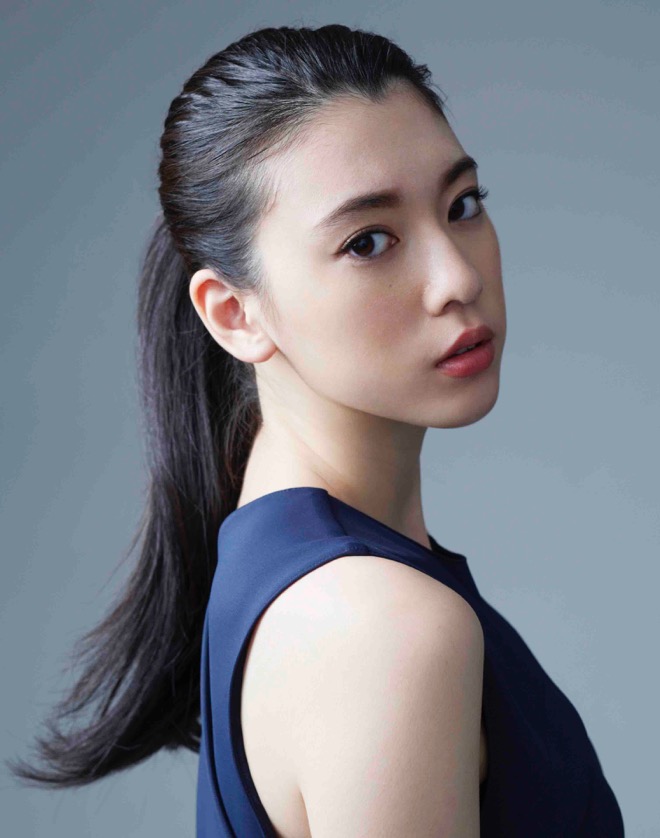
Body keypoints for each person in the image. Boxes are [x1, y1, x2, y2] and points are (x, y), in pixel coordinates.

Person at [7, 23, 624, 837]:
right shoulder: (378, 629)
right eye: (368, 242)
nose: (457, 276)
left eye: (462, 205)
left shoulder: (301, 573)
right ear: (235, 314)